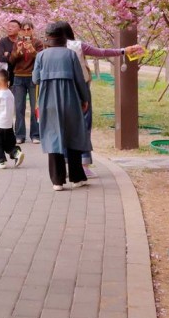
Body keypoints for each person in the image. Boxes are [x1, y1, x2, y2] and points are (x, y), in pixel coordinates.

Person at [62, 21, 127, 173]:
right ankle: (83, 165)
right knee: (84, 125)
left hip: (61, 90)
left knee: (64, 126)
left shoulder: (50, 49)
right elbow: (101, 52)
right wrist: (123, 51)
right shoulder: (78, 46)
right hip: (81, 88)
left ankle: (65, 163)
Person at [33, 21, 91, 191]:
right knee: (73, 135)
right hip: (70, 99)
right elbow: (80, 80)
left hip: (48, 100)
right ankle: (77, 177)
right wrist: (84, 99)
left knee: (52, 136)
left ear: (48, 38)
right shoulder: (71, 55)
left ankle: (57, 181)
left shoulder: (41, 56)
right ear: (63, 38)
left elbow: (35, 79)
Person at [11, 21, 43, 145]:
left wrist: (32, 50)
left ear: (32, 30)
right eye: (23, 29)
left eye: (28, 29)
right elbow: (11, 61)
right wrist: (18, 51)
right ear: (20, 31)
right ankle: (19, 135)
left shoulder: (38, 43)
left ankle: (35, 135)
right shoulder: (16, 43)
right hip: (18, 77)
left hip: (33, 78)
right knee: (19, 107)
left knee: (35, 106)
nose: (26, 32)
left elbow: (41, 58)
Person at [0, 18, 21, 85]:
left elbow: (22, 59)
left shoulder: (21, 42)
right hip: (6, 74)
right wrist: (15, 54)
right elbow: (1, 58)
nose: (9, 28)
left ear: (19, 30)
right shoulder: (3, 41)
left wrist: (8, 54)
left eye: (13, 27)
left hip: (19, 74)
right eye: (8, 26)